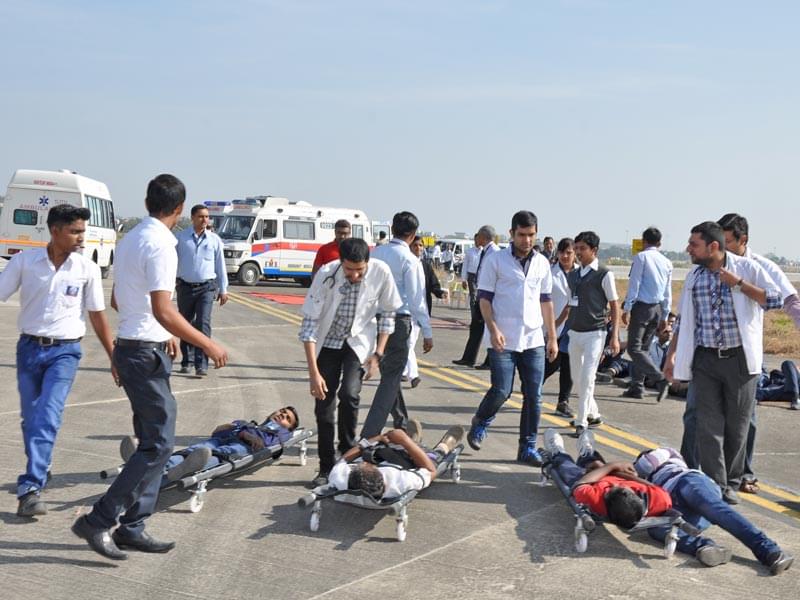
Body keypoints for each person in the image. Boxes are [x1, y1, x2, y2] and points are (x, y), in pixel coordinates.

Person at [73, 174, 228, 560]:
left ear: (146, 202)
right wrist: (206, 342)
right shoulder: (162, 244)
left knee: (152, 443)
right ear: (178, 209)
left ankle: (133, 526)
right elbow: (162, 307)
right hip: (143, 354)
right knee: (159, 443)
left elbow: (118, 300)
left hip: (134, 348)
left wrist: (162, 331)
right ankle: (98, 520)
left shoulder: (129, 241)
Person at [0, 204, 116, 518]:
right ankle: (42, 464)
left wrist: (113, 356)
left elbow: (97, 315)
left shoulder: (86, 268)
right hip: (28, 350)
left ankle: (30, 487)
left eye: (83, 231)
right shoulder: (25, 262)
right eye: (75, 231)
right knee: (31, 419)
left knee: (47, 416)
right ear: (55, 231)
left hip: (65, 353)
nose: (81, 237)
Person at [663, 221, 781, 505]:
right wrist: (672, 355)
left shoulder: (746, 268)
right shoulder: (694, 276)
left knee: (737, 426)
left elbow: (775, 299)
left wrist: (739, 285)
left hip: (739, 359)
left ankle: (732, 479)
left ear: (713, 247)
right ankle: (717, 484)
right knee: (707, 424)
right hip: (705, 359)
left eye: (694, 245)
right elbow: (683, 320)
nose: (688, 249)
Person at [299, 237, 402, 487]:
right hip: (328, 342)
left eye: (359, 270)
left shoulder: (381, 272)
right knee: (324, 405)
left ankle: (346, 456)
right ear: (340, 262)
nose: (354, 275)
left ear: (368, 262)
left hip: (358, 342)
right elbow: (309, 326)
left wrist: (378, 353)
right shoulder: (326, 275)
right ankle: (325, 467)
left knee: (350, 394)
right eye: (349, 270)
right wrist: (314, 373)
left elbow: (388, 314)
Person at [466, 211, 558, 466]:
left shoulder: (542, 263)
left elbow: (546, 301)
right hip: (502, 338)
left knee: (534, 395)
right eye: (521, 235)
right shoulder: (496, 261)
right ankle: (481, 421)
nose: (527, 240)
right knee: (502, 390)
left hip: (533, 339)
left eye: (531, 235)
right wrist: (493, 329)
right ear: (511, 234)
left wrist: (551, 337)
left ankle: (527, 447)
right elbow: (484, 299)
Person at [717, 213, 800, 493]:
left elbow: (788, 300)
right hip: (712, 354)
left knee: (746, 416)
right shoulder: (710, 265)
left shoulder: (761, 266)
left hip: (745, 354)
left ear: (743, 240)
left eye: (728, 241)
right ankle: (709, 473)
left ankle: (743, 472)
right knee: (701, 416)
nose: (723, 247)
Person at [634, 447, 793, 574]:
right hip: (673, 505)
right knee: (656, 528)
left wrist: (628, 470)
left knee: (715, 509)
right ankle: (707, 548)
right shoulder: (643, 483)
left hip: (686, 482)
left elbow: (645, 465)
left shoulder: (666, 453)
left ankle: (769, 550)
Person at [361, 212, 432, 438]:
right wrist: (427, 331)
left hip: (374, 319)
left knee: (390, 375)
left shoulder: (376, 253)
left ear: (392, 229)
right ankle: (369, 434)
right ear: (412, 235)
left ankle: (402, 423)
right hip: (399, 321)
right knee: (391, 379)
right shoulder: (410, 260)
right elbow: (417, 300)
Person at [119, 407, 300, 482]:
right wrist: (235, 426)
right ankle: (148, 463)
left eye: (287, 418)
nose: (281, 416)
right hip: (225, 438)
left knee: (222, 453)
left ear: (289, 427)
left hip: (244, 448)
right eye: (281, 412)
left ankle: (190, 465)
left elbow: (265, 447)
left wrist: (247, 435)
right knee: (199, 448)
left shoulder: (282, 434)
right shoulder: (249, 423)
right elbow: (217, 431)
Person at [542, 429, 672, 529]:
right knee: (596, 462)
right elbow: (649, 485)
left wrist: (611, 466)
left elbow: (580, 483)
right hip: (613, 473)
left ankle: (558, 452)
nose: (614, 485)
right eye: (623, 488)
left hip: (589, 480)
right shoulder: (660, 500)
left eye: (611, 489)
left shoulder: (594, 500)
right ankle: (587, 454)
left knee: (566, 468)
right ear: (636, 496)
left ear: (606, 502)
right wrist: (617, 471)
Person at [566, 231, 620, 437]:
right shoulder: (573, 275)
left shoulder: (604, 274)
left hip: (595, 333)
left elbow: (615, 306)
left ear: (594, 251)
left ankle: (581, 422)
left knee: (587, 378)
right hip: (575, 332)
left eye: (582, 249)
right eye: (576, 248)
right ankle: (593, 412)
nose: (578, 253)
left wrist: (614, 336)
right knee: (577, 378)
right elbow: (571, 303)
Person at [329, 421, 464, 499]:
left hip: (387, 455)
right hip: (412, 464)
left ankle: (412, 440)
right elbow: (431, 470)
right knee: (434, 458)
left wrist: (376, 439)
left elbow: (344, 459)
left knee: (378, 450)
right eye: (367, 466)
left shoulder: (340, 478)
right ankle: (444, 445)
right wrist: (405, 441)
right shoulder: (399, 482)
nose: (364, 463)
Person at [175, 204, 228, 377]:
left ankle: (201, 363)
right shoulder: (181, 238)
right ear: (192, 218)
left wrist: (223, 289)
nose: (204, 220)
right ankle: (187, 361)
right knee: (185, 323)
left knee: (203, 324)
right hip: (185, 287)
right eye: (200, 217)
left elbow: (220, 266)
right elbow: (171, 263)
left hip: (206, 287)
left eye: (206, 217)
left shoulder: (214, 240)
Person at [620, 227, 673, 401]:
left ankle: (660, 379)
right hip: (657, 308)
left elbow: (634, 285)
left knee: (634, 348)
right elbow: (668, 291)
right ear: (660, 243)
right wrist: (665, 315)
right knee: (643, 349)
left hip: (642, 307)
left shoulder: (641, 257)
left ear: (644, 241)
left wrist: (627, 307)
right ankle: (637, 386)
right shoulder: (667, 262)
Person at [404, 236, 448, 388]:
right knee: (408, 343)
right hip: (406, 310)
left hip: (421, 311)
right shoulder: (406, 264)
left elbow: (433, 285)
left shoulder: (425, 266)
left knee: (409, 343)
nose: (418, 248)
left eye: (420, 245)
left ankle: (404, 370)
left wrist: (440, 293)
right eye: (415, 245)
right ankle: (413, 375)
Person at [452, 225, 499, 368]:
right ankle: (469, 358)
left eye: (478, 235)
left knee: (489, 328)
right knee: (476, 326)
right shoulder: (485, 251)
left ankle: (490, 361)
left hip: (490, 297)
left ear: (484, 237)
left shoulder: (494, 253)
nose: (476, 238)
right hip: (481, 293)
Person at [543, 237, 577, 418]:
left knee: (568, 364)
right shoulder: (550, 273)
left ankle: (563, 401)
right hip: (553, 324)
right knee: (551, 362)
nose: (565, 256)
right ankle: (532, 386)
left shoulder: (581, 273)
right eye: (562, 252)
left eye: (569, 253)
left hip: (574, 326)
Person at [461, 234, 482, 306]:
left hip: (482, 276)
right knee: (473, 295)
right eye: (476, 240)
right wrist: (464, 280)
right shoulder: (469, 251)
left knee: (480, 296)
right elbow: (465, 266)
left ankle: (479, 313)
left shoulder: (484, 252)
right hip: (472, 276)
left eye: (479, 240)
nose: (477, 241)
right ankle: (474, 315)